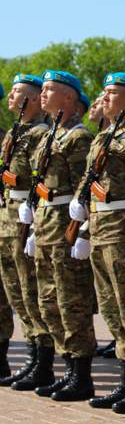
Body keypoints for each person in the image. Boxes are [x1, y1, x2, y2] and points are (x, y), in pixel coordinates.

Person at [70, 72, 125, 410]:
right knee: (110, 306)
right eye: (104, 92)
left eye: (112, 93)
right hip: (100, 225)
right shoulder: (103, 136)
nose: (104, 98)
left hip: (122, 227)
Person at [21, 71, 96, 399]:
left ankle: (81, 375)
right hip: (46, 221)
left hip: (65, 222)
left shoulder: (79, 138)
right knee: (49, 300)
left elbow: (85, 188)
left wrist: (82, 231)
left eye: (50, 90)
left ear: (69, 98)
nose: (43, 95)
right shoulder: (50, 134)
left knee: (72, 301)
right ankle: (66, 367)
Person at [0, 74, 54, 387]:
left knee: (31, 291)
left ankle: (42, 362)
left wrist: (7, 178)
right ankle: (33, 358)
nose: (11, 96)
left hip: (26, 217)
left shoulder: (39, 133)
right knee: (15, 292)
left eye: (18, 92)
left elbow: (34, 178)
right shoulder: (14, 132)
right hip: (8, 216)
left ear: (34, 99)